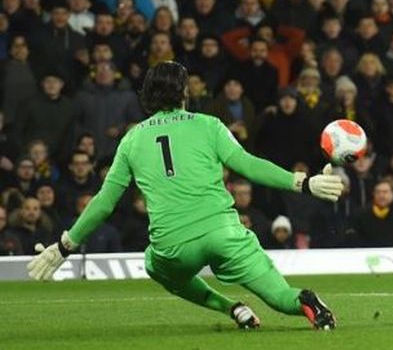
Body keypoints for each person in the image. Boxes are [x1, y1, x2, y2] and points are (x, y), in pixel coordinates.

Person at [27, 61, 342, 331]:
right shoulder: (209, 125)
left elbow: (104, 202)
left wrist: (66, 245)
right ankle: (304, 302)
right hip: (224, 233)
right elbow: (247, 164)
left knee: (153, 262)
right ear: (184, 93)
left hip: (173, 244)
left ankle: (232, 308)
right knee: (281, 297)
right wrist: (302, 183)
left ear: (147, 96)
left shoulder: (132, 140)